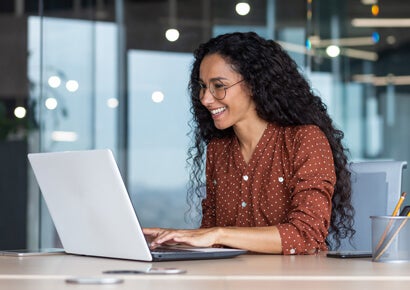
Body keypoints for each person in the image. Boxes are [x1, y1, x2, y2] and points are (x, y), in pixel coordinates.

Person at [143, 32, 355, 255]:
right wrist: (171, 240)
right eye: (203, 86)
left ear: (254, 84)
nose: (205, 98)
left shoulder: (305, 140)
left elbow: (306, 236)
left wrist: (219, 234)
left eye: (218, 85)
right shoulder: (218, 150)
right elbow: (212, 240)